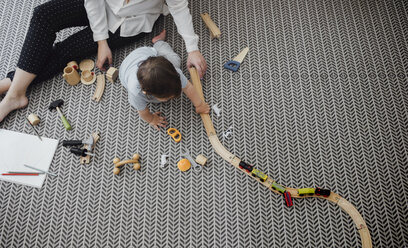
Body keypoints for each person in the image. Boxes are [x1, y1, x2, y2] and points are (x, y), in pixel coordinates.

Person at [0, 0, 207, 122]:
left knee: (68, 50)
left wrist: (193, 48)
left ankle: (14, 88)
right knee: (43, 14)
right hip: (101, 4)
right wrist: (101, 41)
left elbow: (179, 7)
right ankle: (15, 89)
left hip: (130, 22)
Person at [120, 30, 209, 130]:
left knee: (176, 60)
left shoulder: (174, 72)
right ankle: (158, 43)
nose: (171, 98)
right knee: (153, 102)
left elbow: (188, 87)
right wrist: (152, 119)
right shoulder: (135, 92)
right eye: (168, 98)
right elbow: (143, 112)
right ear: (146, 92)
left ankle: (159, 43)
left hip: (147, 54)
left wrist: (199, 104)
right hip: (125, 70)